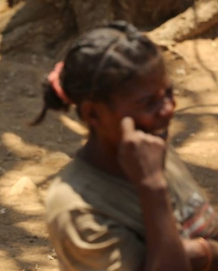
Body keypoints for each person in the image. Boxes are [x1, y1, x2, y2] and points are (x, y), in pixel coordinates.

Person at [34, 21, 218, 271]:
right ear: (93, 115)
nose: (168, 109)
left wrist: (199, 253)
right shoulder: (76, 209)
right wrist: (152, 186)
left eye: (168, 93)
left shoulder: (150, 144)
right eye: (147, 103)